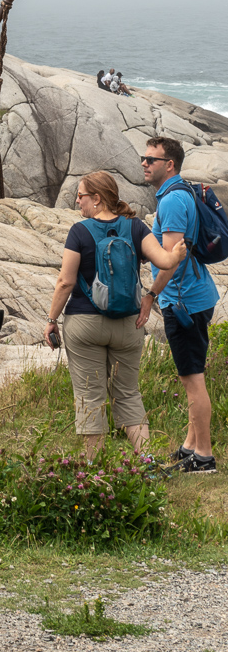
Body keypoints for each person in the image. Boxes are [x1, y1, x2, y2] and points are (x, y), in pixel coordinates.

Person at [44, 171, 186, 460]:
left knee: (90, 396)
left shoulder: (79, 232)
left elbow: (65, 282)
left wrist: (51, 320)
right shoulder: (135, 228)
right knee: (128, 393)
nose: (78, 200)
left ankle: (93, 472)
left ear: (97, 199)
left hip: (85, 324)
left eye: (81, 195)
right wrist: (176, 257)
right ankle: (145, 463)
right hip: (129, 325)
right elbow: (164, 261)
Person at [139, 137, 220, 472]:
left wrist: (151, 295)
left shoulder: (172, 201)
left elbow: (171, 261)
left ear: (169, 164)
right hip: (198, 295)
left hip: (184, 301)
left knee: (192, 380)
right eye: (143, 158)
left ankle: (204, 457)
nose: (144, 163)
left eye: (150, 159)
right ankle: (190, 446)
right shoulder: (183, 192)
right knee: (192, 375)